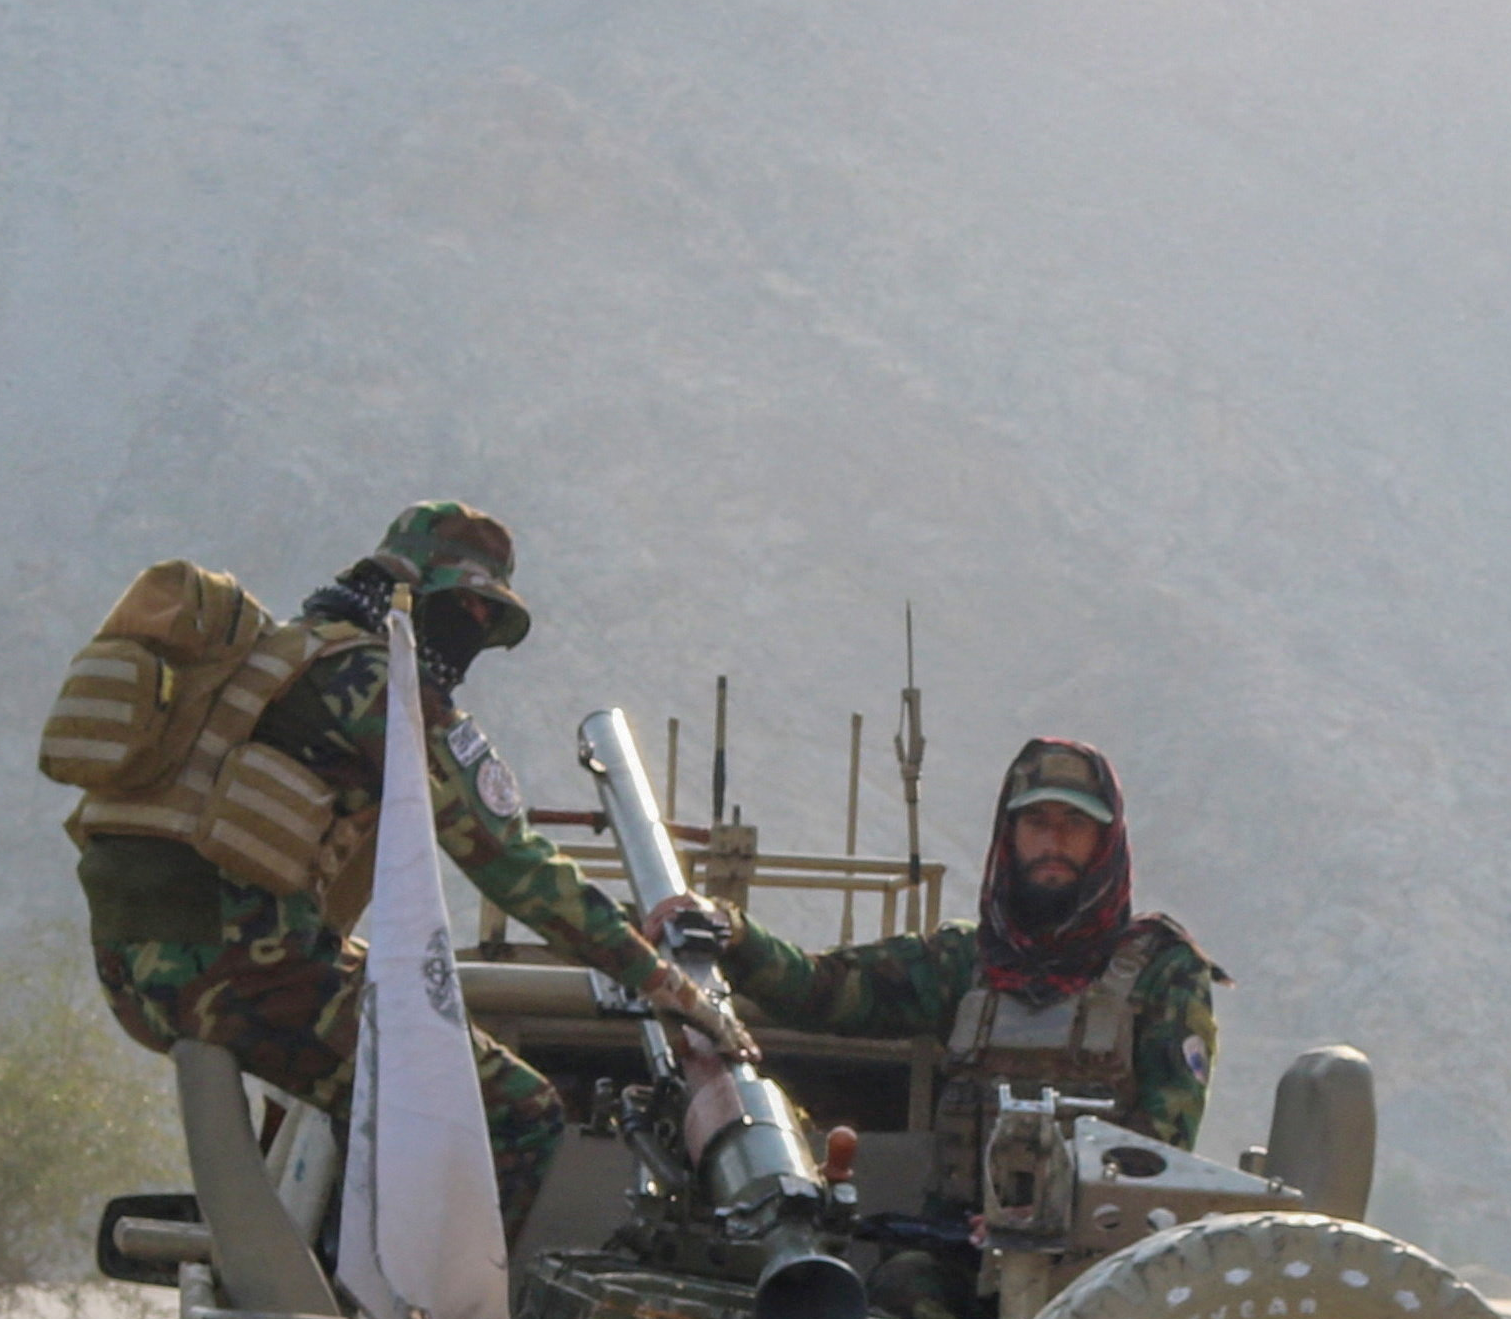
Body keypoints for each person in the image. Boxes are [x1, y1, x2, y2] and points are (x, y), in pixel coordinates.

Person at [73, 502, 742, 1242]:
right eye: (474, 613)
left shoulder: (286, 659)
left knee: (412, 1010)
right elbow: (512, 863)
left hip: (137, 977)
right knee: (521, 1110)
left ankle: (339, 1262)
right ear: (437, 599)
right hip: (244, 982)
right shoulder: (380, 688)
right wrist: (664, 984)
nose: (475, 637)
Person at [706, 738, 1227, 1215]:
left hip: (1089, 1259)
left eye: (1075, 822)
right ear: (1011, 834)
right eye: (1037, 822)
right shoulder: (964, 961)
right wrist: (733, 934)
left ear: (1105, 840)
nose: (1054, 840)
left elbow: (1162, 1150)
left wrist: (1047, 1217)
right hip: (956, 1251)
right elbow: (822, 991)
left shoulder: (1164, 972)